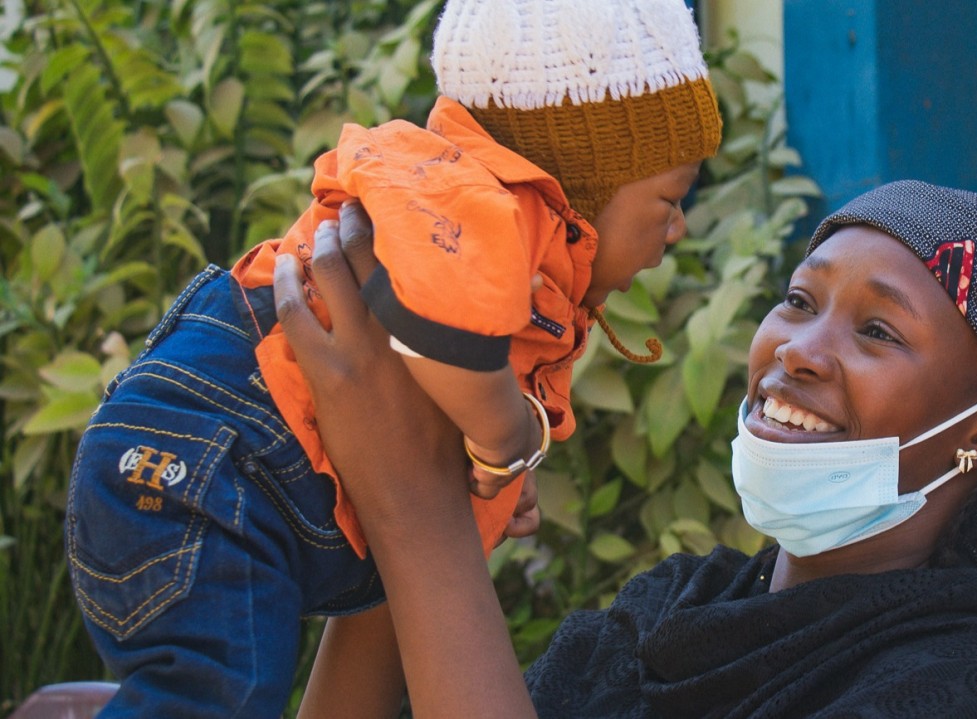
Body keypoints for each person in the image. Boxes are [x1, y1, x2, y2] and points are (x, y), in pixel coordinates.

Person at [62, 0, 721, 715]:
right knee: (212, 695)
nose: (678, 228)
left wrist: (478, 476)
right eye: (670, 198)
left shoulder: (478, 216)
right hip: (215, 465)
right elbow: (434, 333)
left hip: (221, 467)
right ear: (585, 177)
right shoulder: (480, 206)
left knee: (221, 690)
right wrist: (504, 440)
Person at [277, 180, 977, 718]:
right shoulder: (670, 614)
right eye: (800, 301)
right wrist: (415, 474)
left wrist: (417, 512)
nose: (798, 350)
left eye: (878, 330)